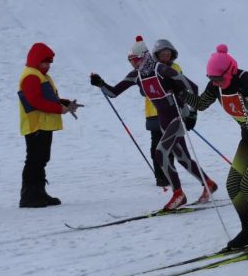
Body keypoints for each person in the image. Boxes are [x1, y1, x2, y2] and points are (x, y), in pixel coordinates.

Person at [90, 36, 216, 212]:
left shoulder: (162, 69)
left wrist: (193, 114)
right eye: (130, 61)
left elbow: (192, 87)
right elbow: (113, 93)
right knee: (182, 158)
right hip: (163, 119)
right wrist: (100, 84)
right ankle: (208, 183)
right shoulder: (137, 75)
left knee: (161, 152)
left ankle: (178, 194)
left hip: (178, 116)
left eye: (134, 60)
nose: (132, 64)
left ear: (144, 56)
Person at [184, 44, 248, 251]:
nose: (216, 83)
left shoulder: (246, 80)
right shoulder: (216, 84)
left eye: (219, 79)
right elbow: (202, 103)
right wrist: (179, 93)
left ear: (230, 71)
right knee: (233, 185)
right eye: (212, 79)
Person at [18, 42, 82, 208]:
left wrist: (65, 103)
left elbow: (47, 97)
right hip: (35, 125)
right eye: (44, 62)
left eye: (49, 63)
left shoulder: (40, 75)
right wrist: (60, 109)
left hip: (43, 125)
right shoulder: (31, 76)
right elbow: (36, 101)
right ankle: (28, 196)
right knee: (34, 160)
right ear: (36, 60)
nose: (47, 66)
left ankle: (39, 192)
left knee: (42, 159)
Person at [146, 39, 191, 187]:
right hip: (153, 110)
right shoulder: (150, 68)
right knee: (156, 144)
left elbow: (184, 87)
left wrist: (184, 105)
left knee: (170, 145)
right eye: (162, 54)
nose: (165, 56)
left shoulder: (176, 67)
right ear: (156, 55)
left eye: (168, 54)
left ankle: (169, 175)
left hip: (172, 110)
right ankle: (160, 176)